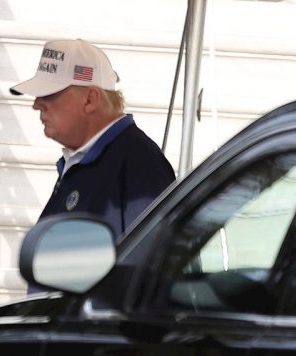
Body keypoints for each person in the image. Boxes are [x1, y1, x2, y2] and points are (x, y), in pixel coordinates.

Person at [10, 38, 175, 240]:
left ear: (91, 99)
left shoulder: (138, 164)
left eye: (50, 94)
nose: (37, 104)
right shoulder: (84, 160)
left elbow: (150, 261)